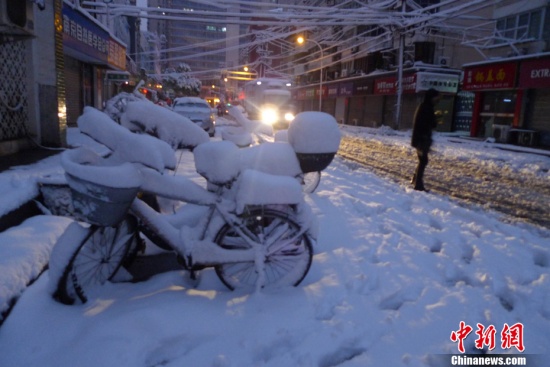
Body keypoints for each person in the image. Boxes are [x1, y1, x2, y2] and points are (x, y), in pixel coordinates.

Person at [410, 88, 440, 191]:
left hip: (421, 139)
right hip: (422, 139)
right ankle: (418, 185)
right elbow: (428, 124)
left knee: (422, 160)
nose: (437, 99)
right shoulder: (426, 108)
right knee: (423, 161)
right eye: (436, 97)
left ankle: (415, 179)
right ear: (431, 97)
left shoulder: (425, 106)